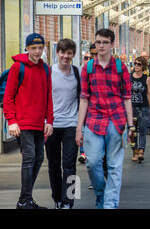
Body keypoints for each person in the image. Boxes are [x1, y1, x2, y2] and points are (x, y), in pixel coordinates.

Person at [75, 28, 133, 209]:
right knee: (92, 163)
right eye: (98, 42)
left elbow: (127, 97)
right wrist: (79, 128)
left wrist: (131, 126)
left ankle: (109, 204)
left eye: (105, 42)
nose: (101, 46)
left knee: (115, 166)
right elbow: (83, 98)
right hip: (93, 121)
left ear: (112, 44)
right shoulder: (88, 68)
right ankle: (101, 194)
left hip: (116, 121)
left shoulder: (120, 67)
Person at [3, 33, 54, 209]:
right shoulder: (18, 67)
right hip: (23, 123)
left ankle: (25, 199)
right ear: (27, 48)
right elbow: (8, 96)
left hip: (40, 123)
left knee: (39, 158)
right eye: (34, 48)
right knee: (29, 157)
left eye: (40, 48)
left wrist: (49, 120)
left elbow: (49, 97)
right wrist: (11, 120)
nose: (37, 51)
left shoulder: (46, 68)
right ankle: (25, 200)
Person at [45, 39, 80, 209]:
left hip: (71, 124)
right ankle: (57, 198)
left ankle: (70, 201)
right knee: (53, 164)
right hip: (51, 124)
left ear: (73, 54)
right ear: (57, 53)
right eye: (63, 52)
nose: (65, 56)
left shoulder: (77, 72)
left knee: (70, 164)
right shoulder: (49, 72)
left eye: (69, 53)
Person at [130, 56, 150, 162]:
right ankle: (134, 151)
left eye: (139, 64)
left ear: (143, 66)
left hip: (143, 108)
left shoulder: (147, 79)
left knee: (143, 130)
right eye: (135, 64)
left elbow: (149, 94)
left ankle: (141, 151)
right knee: (132, 131)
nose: (136, 66)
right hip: (132, 108)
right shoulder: (129, 77)